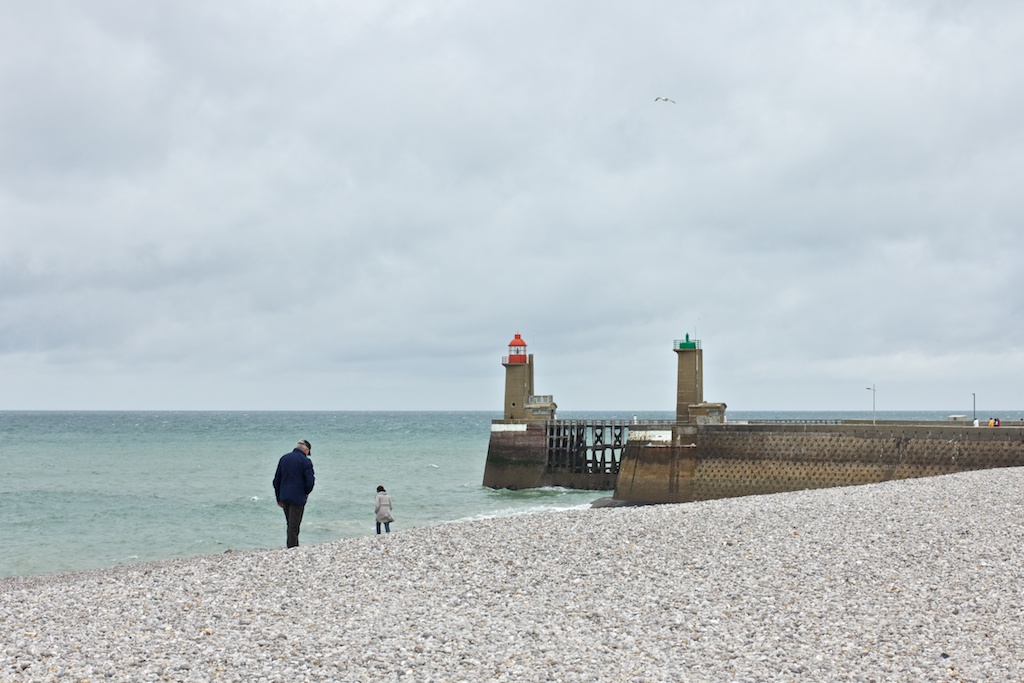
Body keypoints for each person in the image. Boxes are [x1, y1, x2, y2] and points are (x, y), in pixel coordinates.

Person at [272, 439, 315, 548]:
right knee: (294, 526)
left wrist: (278, 497)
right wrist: (305, 493)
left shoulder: (284, 458)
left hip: (284, 496)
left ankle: (292, 546)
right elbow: (310, 482)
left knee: (290, 524)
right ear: (306, 450)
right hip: (298, 498)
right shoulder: (306, 462)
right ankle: (292, 548)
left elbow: (276, 480)